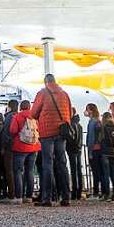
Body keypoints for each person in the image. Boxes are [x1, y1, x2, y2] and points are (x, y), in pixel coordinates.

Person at [30, 73, 72, 207]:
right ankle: (66, 197)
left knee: (47, 164)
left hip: (47, 132)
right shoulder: (64, 94)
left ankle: (47, 198)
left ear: (45, 82)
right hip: (61, 131)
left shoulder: (42, 93)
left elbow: (33, 113)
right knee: (62, 164)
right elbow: (69, 113)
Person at [9, 98, 40, 204]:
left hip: (20, 147)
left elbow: (13, 130)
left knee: (18, 171)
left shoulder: (17, 116)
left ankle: (18, 197)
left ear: (20, 107)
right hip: (34, 147)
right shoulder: (35, 117)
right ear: (29, 107)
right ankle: (29, 196)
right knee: (30, 171)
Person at [99, 111, 114, 202]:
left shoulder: (103, 127)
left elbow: (100, 139)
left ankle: (107, 194)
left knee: (106, 174)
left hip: (105, 152)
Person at [1, 98, 19, 203]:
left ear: (10, 107)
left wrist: (4, 146)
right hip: (20, 147)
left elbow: (6, 133)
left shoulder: (9, 117)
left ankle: (12, 195)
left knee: (10, 171)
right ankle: (19, 193)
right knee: (19, 170)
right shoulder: (19, 115)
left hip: (10, 147)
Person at [84, 104, 102, 199]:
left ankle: (96, 192)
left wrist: (90, 151)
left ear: (90, 111)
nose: (85, 112)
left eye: (87, 109)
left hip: (94, 149)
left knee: (95, 171)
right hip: (100, 149)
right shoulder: (98, 120)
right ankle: (102, 191)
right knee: (100, 171)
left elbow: (91, 137)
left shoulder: (92, 122)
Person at [67, 107, 84, 200]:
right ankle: (79, 191)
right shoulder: (79, 124)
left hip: (72, 149)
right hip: (78, 149)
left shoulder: (71, 124)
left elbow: (72, 138)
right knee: (78, 170)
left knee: (74, 171)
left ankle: (75, 192)